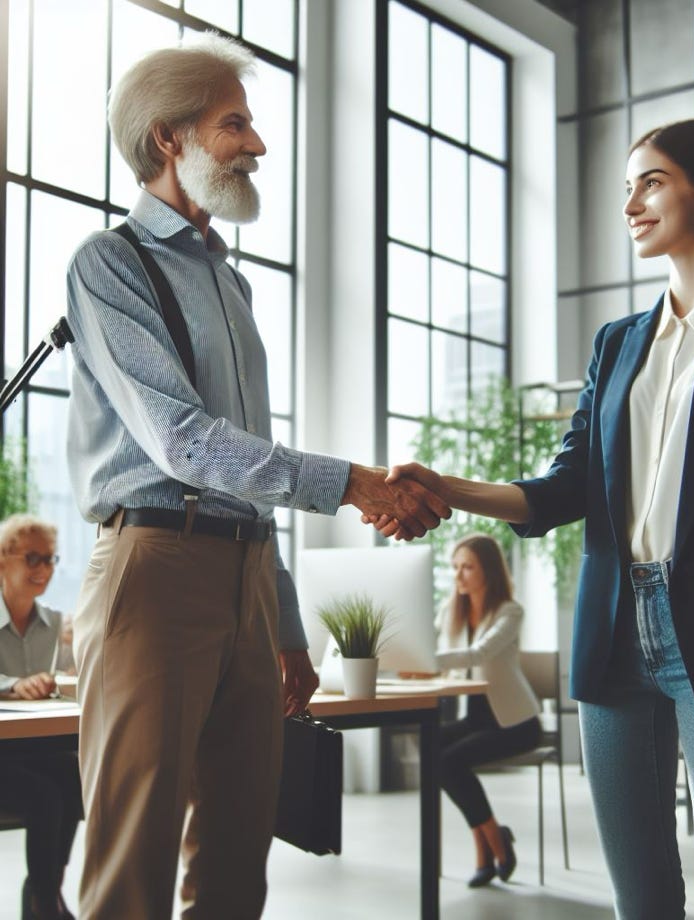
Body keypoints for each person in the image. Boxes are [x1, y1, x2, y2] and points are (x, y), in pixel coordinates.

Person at [371, 120, 694, 919]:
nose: (631, 202)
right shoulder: (617, 344)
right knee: (641, 899)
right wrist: (448, 486)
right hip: (613, 626)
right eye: (627, 186)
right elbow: (565, 487)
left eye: (650, 181)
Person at [65, 34, 448, 919]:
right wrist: (355, 482)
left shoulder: (231, 287)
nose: (258, 144)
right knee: (133, 865)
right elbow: (184, 444)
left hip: (241, 575)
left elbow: (245, 465)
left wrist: (279, 619)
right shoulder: (109, 263)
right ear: (169, 139)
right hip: (152, 570)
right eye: (234, 123)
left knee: (239, 859)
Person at [433, 534, 541, 888]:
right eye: (455, 567)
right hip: (476, 718)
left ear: (488, 571)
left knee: (448, 762)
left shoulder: (510, 612)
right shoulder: (451, 611)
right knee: (431, 747)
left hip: (515, 723)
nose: (459, 575)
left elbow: (479, 653)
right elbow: (428, 644)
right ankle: (494, 837)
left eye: (467, 567)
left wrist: (428, 661)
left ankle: (489, 846)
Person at [0, 514, 82, 920]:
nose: (44, 570)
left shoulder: (54, 623)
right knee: (45, 795)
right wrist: (12, 684)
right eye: (33, 558)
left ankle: (45, 892)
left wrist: (66, 674)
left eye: (50, 559)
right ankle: (44, 902)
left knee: (76, 775)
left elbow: (69, 677)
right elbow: (18, 686)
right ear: (2, 559)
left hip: (30, 750)